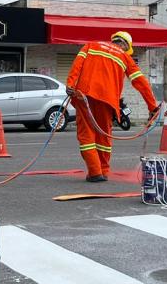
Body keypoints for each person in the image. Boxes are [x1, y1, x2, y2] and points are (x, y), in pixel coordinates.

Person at [65, 31, 159, 182]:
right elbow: (141, 83)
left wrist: (70, 85)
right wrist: (152, 107)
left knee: (86, 135)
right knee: (103, 136)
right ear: (125, 46)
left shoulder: (91, 45)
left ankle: (95, 172)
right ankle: (103, 171)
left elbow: (77, 66)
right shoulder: (125, 57)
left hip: (84, 96)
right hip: (107, 101)